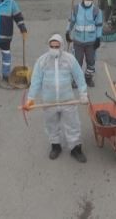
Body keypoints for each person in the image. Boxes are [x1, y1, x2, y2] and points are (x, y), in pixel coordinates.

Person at [24, 34, 89, 162]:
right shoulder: (42, 61)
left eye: (56, 46)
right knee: (51, 125)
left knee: (73, 124)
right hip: (49, 101)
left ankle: (76, 149)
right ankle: (56, 146)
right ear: (49, 46)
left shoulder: (69, 59)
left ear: (61, 46)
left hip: (68, 100)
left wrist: (83, 94)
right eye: (51, 46)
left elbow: (79, 76)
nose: (54, 48)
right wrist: (30, 98)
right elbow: (36, 80)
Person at [65, 0, 104, 87]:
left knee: (91, 61)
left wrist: (98, 38)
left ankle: (88, 78)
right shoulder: (76, 9)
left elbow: (99, 25)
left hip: (91, 42)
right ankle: (76, 80)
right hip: (78, 41)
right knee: (77, 62)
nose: (88, 0)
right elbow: (71, 21)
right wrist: (67, 32)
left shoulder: (96, 11)